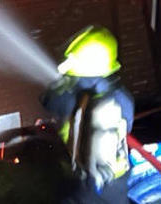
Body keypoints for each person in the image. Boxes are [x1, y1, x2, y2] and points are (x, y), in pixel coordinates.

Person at [42, 25, 134, 204]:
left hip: (84, 181)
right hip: (116, 179)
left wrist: (58, 86)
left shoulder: (71, 96)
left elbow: (49, 102)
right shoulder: (122, 96)